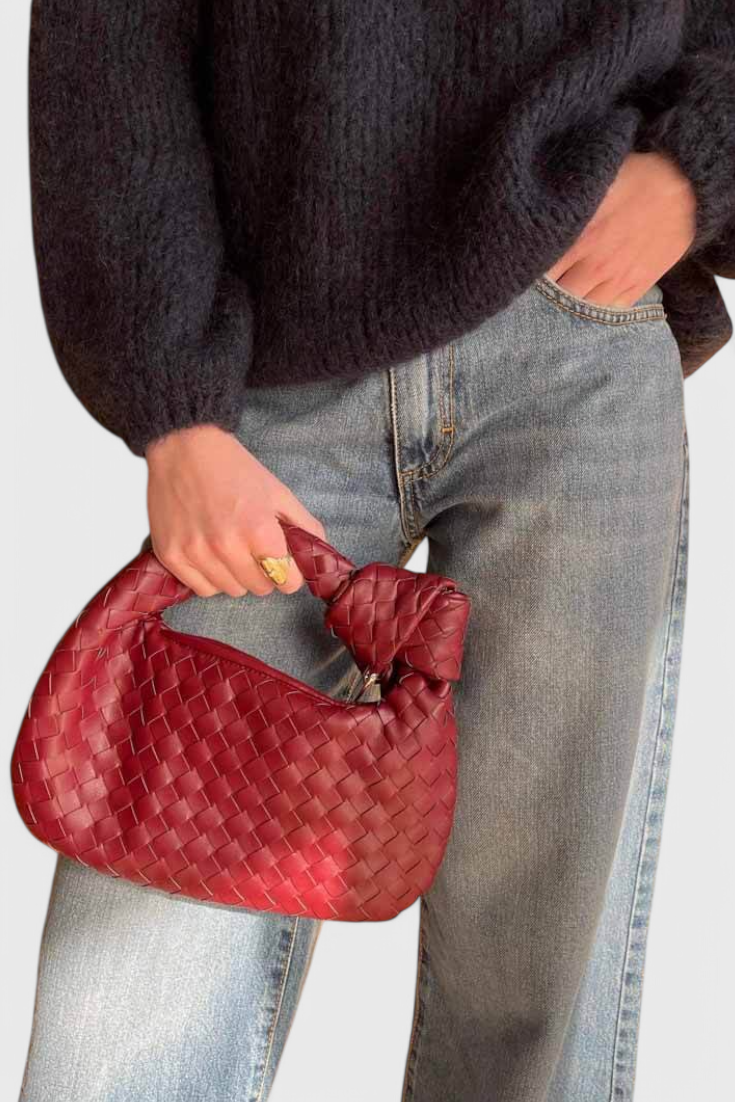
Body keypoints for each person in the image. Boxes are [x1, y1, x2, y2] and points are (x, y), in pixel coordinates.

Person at [17, 3, 733, 1101]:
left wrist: (700, 168)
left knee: (536, 970)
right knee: (143, 975)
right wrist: (171, 404)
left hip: (582, 343)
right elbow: (111, 41)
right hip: (274, 359)